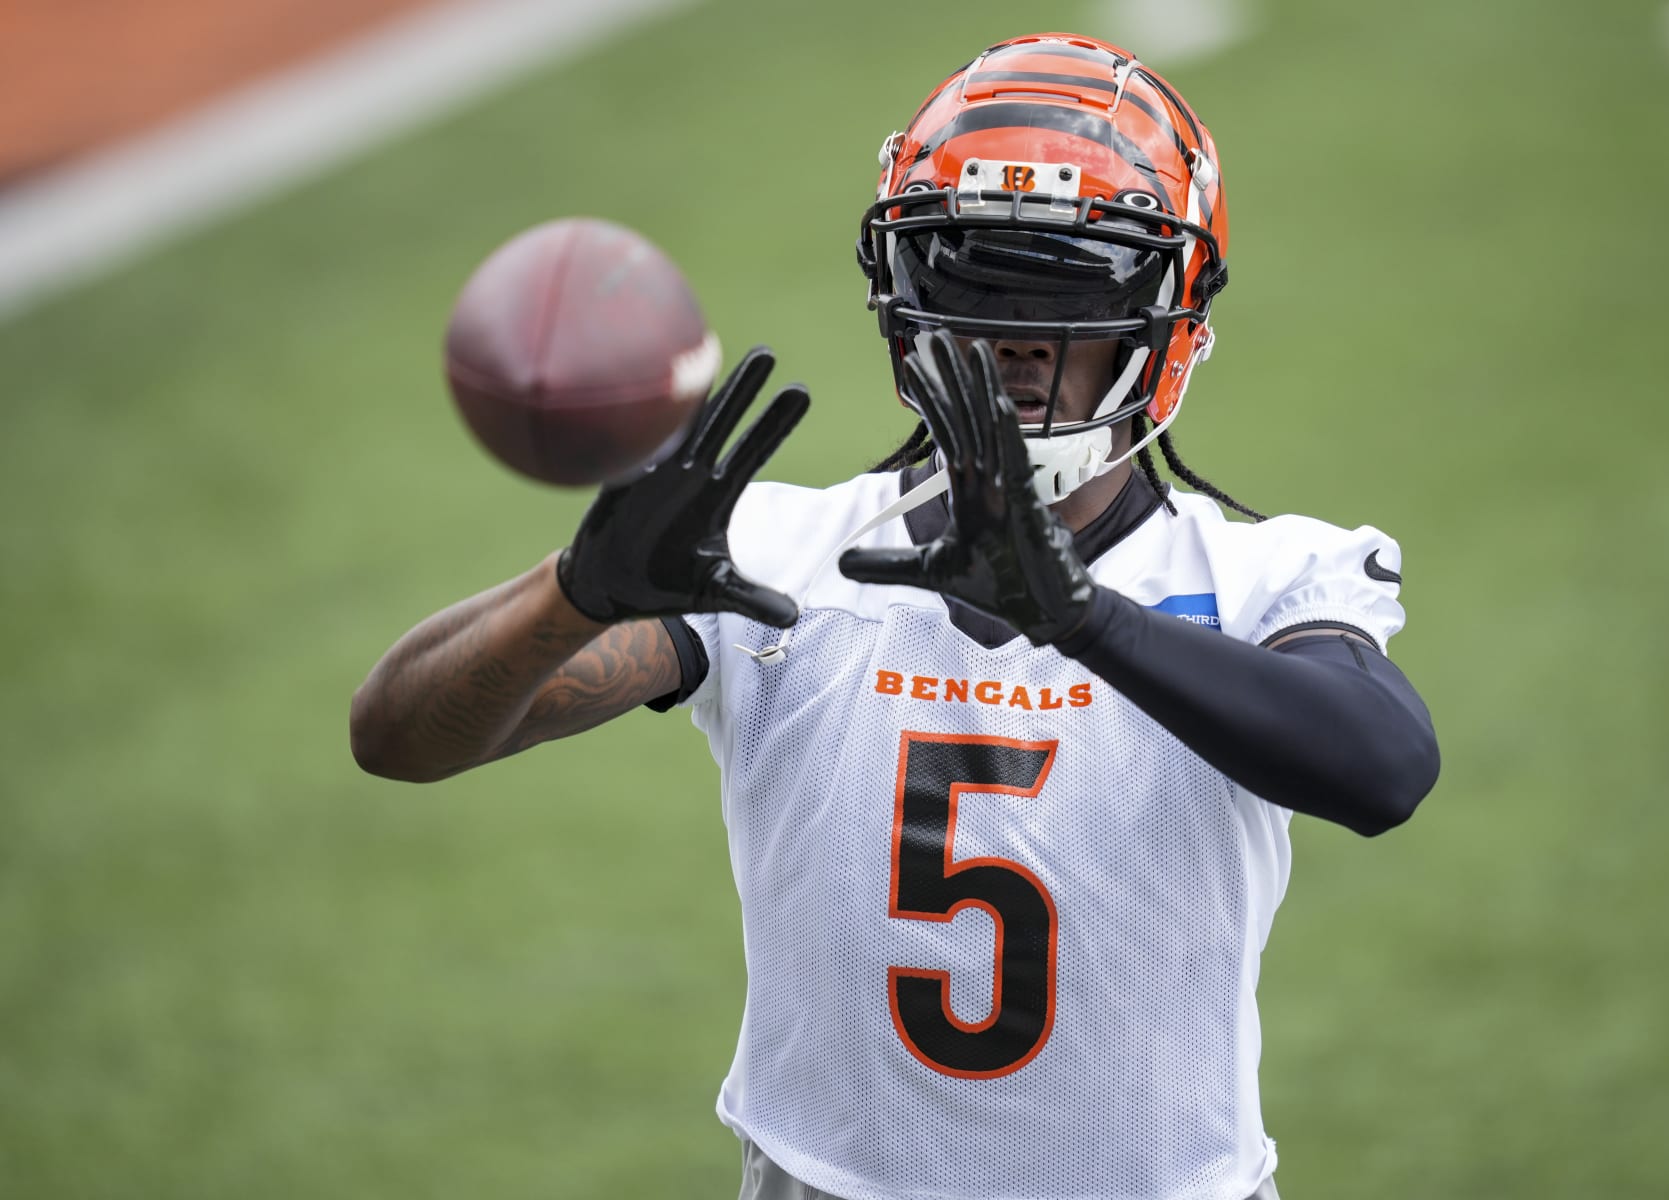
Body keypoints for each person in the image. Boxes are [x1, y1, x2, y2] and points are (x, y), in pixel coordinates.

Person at [351, 31, 1439, 1200]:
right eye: (976, 279)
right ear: (907, 294)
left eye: (1072, 286)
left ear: (1170, 315)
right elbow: (398, 737)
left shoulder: (1264, 576)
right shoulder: (779, 556)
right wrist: (572, 595)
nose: (1019, 336)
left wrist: (1083, 621)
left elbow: (1382, 769)